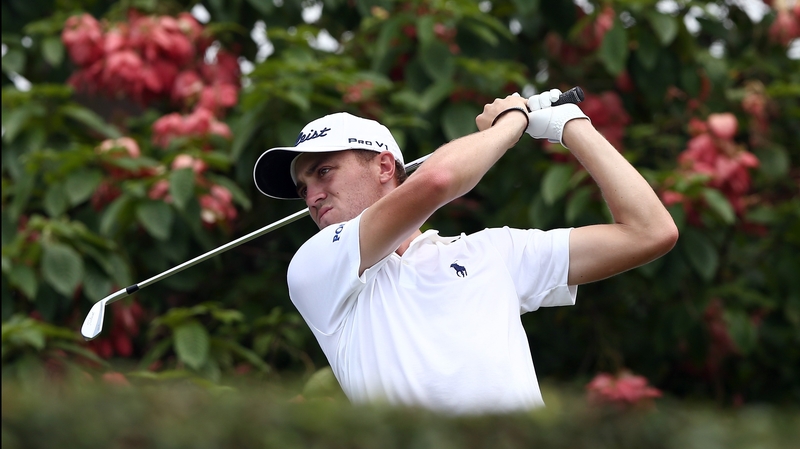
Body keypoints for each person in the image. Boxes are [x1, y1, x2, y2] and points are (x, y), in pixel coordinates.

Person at [252, 89, 679, 415]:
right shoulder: (315, 267)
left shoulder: (495, 252)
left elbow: (650, 232)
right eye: (303, 187)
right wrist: (510, 123)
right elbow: (438, 179)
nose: (312, 196)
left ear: (384, 167)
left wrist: (571, 126)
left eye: (324, 171)